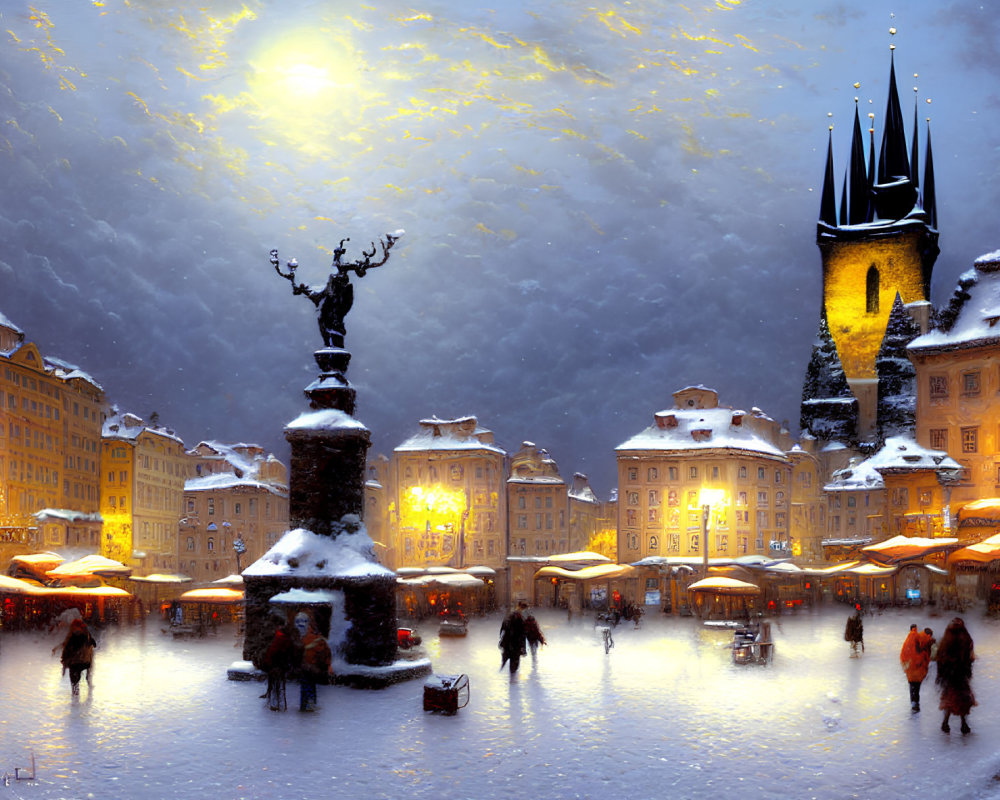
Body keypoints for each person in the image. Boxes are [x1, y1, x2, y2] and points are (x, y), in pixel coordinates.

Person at [935, 617, 976, 734]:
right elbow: (969, 656)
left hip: (950, 675)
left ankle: (946, 723)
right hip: (960, 674)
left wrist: (941, 675)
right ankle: (963, 724)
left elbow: (940, 658)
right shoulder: (965, 638)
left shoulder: (947, 640)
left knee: (950, 699)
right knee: (962, 699)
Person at [296, 612, 332, 712]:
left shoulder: (305, 636)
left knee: (307, 685)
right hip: (310, 666)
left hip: (307, 665)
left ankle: (306, 704)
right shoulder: (312, 636)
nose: (300, 624)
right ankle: (308, 704)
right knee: (309, 685)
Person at [261, 618, 299, 711]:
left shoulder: (278, 638)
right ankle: (281, 704)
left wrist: (267, 663)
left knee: (275, 684)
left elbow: (271, 652)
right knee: (281, 685)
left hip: (275, 664)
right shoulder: (288, 639)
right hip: (283, 665)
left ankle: (275, 704)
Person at [55, 618, 96, 696]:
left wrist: (64, 662)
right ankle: (84, 695)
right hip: (84, 662)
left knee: (75, 684)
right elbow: (94, 644)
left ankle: (76, 701)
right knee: (78, 683)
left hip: (77, 663)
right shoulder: (86, 635)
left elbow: (67, 648)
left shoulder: (76, 636)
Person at [900, 623, 934, 712]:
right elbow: (925, 655)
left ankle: (914, 703)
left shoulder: (912, 637)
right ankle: (915, 703)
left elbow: (905, 652)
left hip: (911, 667)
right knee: (916, 686)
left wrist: (905, 664)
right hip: (917, 667)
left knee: (912, 685)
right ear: (928, 634)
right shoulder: (923, 640)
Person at [499, 602, 528, 675]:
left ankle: (509, 675)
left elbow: (503, 628)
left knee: (509, 658)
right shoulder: (520, 619)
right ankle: (512, 680)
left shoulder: (510, 617)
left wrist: (502, 639)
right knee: (514, 664)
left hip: (509, 643)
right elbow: (523, 635)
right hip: (515, 645)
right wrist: (523, 648)